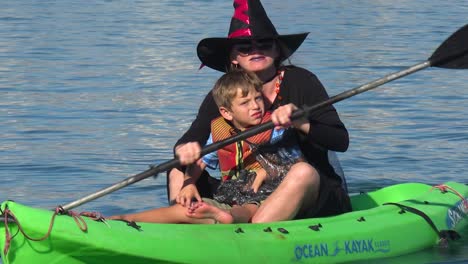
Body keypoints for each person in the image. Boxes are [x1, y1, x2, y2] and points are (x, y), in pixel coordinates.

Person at [168, 0, 352, 221]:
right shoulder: (224, 93)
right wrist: (184, 150)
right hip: (242, 192)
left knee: (302, 173)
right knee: (177, 171)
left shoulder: (302, 81)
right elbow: (191, 139)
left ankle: (253, 238)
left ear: (277, 50)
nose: (255, 50)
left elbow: (340, 141)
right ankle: (181, 228)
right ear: (234, 57)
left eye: (264, 43)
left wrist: (301, 121)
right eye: (245, 47)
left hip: (307, 192)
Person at [109, 69, 314, 224]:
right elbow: (201, 162)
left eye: (258, 98)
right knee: (187, 210)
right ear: (226, 113)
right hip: (235, 191)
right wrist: (189, 183)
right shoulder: (219, 131)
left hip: (269, 192)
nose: (255, 106)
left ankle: (227, 218)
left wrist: (265, 172)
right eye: (245, 103)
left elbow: (295, 164)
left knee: (248, 210)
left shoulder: (276, 126)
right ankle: (121, 219)